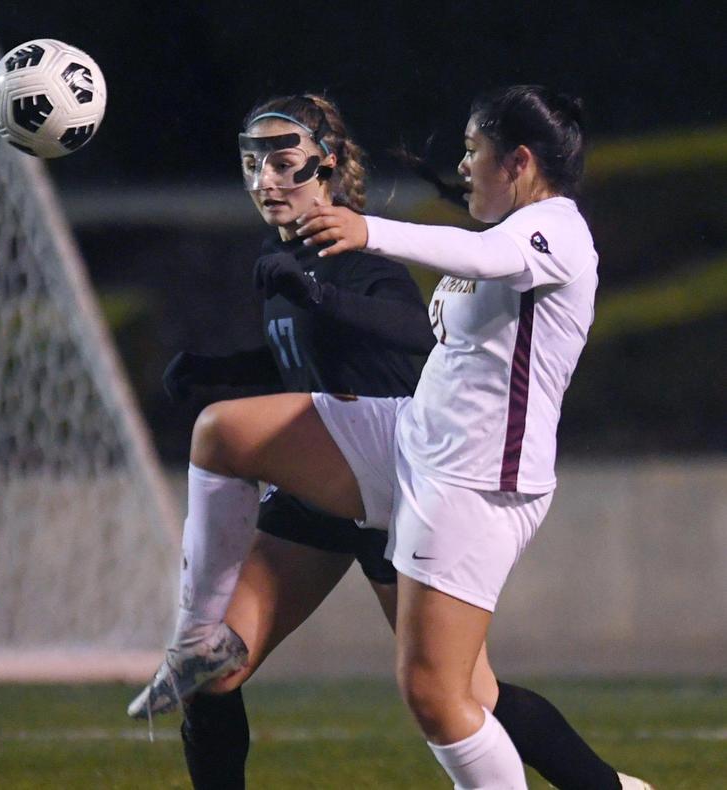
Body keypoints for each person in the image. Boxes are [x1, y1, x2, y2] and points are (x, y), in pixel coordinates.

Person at [129, 87, 653, 789]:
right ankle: (197, 639)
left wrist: (368, 231)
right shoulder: (500, 241)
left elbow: (475, 262)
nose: (463, 166)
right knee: (224, 432)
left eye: (474, 151)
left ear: (520, 162)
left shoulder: (557, 229)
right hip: (411, 437)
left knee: (441, 694)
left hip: (472, 481)